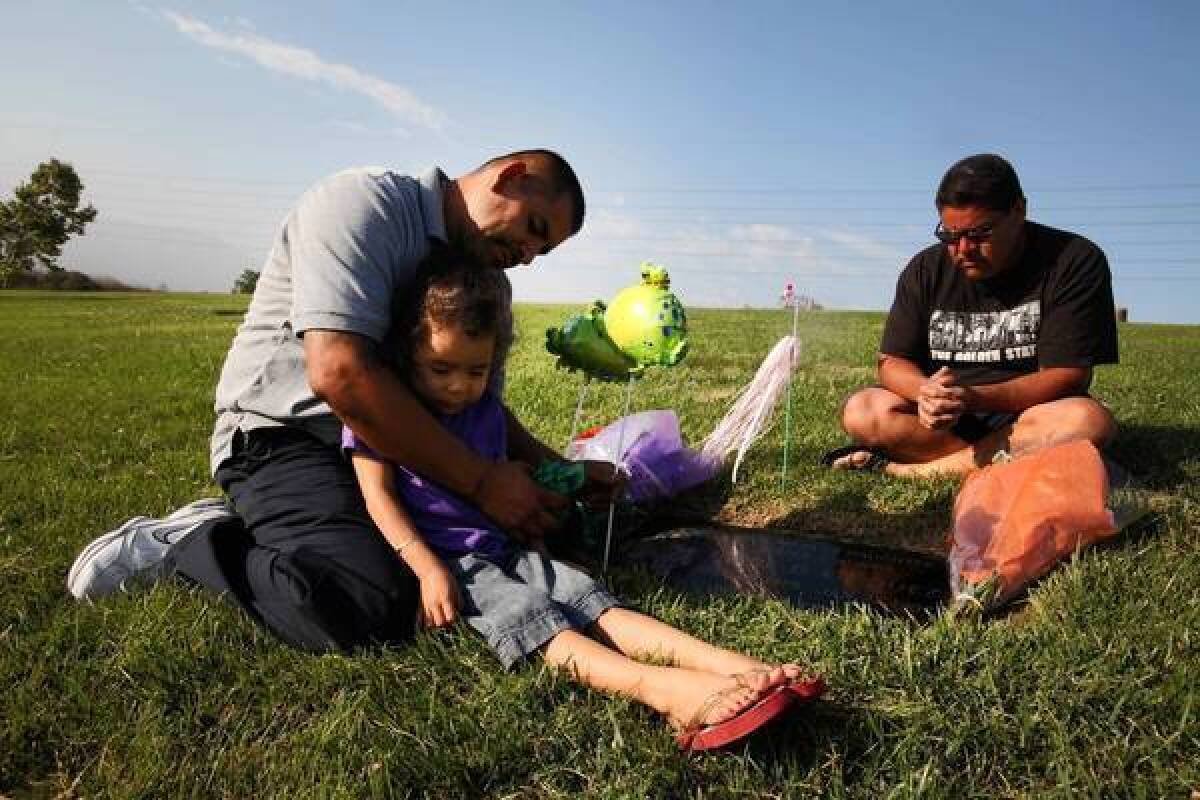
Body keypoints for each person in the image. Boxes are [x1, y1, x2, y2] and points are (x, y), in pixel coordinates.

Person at [67, 149, 611, 653]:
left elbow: (480, 411)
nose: (528, 255)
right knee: (365, 603)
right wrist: (482, 484)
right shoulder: (365, 205)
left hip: (399, 456)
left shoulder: (486, 284)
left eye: (544, 250)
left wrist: (560, 472)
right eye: (534, 229)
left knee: (532, 538)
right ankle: (195, 543)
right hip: (285, 436)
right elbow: (340, 375)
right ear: (510, 176)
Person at [344, 261, 821, 751]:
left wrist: (563, 503)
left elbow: (529, 455)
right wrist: (426, 569)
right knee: (533, 618)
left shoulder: (485, 409)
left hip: (512, 547)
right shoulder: (383, 416)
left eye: (477, 371)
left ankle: (732, 666)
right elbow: (377, 497)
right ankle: (668, 691)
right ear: (407, 354)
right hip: (458, 565)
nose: (459, 386)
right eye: (440, 368)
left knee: (593, 600)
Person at [824, 154, 1118, 478]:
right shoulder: (925, 269)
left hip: (1027, 415)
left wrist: (974, 398)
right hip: (946, 420)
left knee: (1087, 421)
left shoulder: (1073, 260)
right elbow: (892, 361)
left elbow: (1068, 375)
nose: (963, 249)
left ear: (1019, 211)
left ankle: (910, 470)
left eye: (980, 234)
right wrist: (924, 391)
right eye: (950, 235)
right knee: (862, 410)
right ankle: (1003, 460)